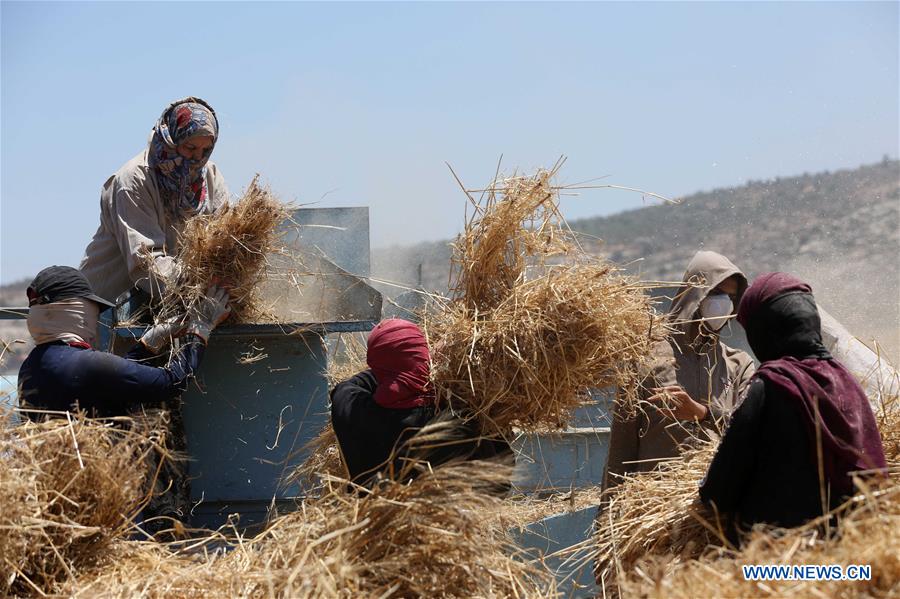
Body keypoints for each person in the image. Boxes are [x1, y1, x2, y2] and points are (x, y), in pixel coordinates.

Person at [699, 273, 887, 532]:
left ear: (763, 329)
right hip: (844, 547)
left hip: (777, 556)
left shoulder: (768, 386)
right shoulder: (849, 383)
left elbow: (718, 492)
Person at [604, 251, 756, 488]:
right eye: (716, 293)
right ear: (694, 294)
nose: (724, 303)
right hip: (655, 505)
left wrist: (703, 414)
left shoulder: (738, 364)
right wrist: (607, 516)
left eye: (731, 296)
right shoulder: (647, 356)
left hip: (714, 506)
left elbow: (751, 430)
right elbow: (622, 447)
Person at [18, 266, 230, 417]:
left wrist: (148, 343)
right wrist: (200, 327)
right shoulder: (86, 364)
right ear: (79, 315)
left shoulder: (29, 368)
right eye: (93, 317)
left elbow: (108, 378)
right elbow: (169, 382)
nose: (93, 330)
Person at [80, 97, 229, 305]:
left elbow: (223, 241)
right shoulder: (134, 181)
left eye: (205, 150)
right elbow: (146, 262)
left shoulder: (210, 178)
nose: (197, 158)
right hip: (107, 309)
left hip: (169, 303)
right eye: (190, 147)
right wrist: (198, 288)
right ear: (171, 140)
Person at [330, 318, 510, 486]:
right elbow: (500, 480)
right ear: (425, 359)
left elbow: (347, 387)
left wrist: (397, 371)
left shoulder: (353, 411)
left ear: (374, 364)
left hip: (369, 518)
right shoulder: (458, 422)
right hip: (440, 519)